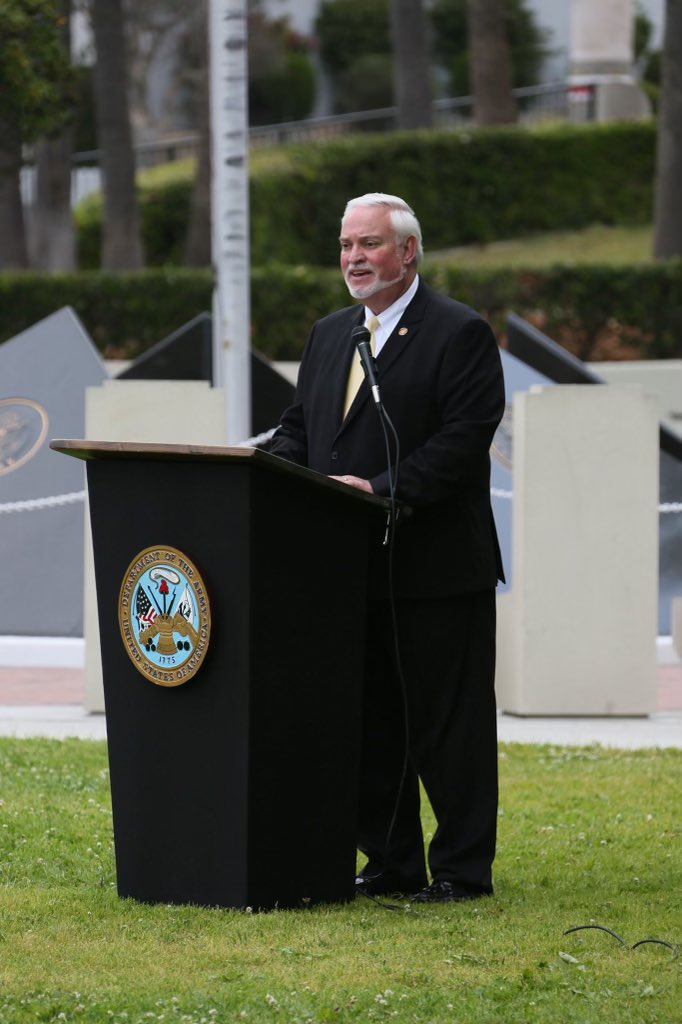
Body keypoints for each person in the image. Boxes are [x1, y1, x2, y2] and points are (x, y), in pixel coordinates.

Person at [268, 193, 505, 903]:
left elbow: (461, 446)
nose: (353, 259)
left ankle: (463, 870)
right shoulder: (330, 333)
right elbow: (298, 431)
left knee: (448, 729)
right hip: (346, 570)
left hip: (434, 570)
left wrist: (374, 486)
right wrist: (259, 473)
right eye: (345, 246)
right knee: (369, 724)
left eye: (368, 244)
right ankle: (392, 861)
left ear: (408, 252)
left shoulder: (459, 333)